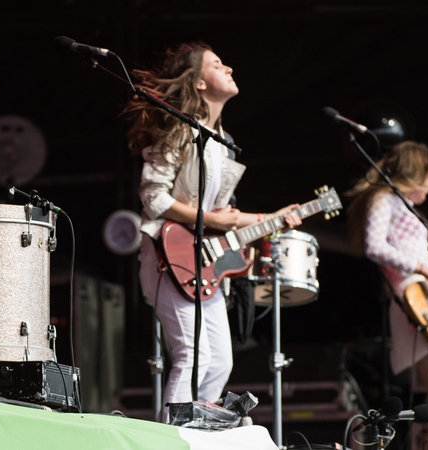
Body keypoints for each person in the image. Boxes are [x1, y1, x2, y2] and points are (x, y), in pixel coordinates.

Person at [123, 42, 301, 423]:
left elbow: (225, 216)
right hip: (168, 256)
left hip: (204, 263)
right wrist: (215, 220)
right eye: (218, 65)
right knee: (193, 353)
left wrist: (271, 218)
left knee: (220, 361)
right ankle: (171, 441)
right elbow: (154, 197)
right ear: (200, 83)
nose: (230, 68)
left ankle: (199, 435)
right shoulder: (177, 128)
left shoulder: (222, 143)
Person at [347, 141, 428, 450]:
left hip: (423, 300)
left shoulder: (401, 206)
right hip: (413, 304)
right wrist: (424, 268)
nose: (427, 195)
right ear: (413, 177)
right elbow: (374, 246)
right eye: (426, 186)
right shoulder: (385, 199)